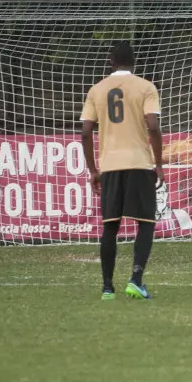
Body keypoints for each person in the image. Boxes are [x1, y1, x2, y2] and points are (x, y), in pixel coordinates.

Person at [80, 41, 164, 300]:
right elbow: (152, 125)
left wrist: (93, 170)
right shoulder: (146, 87)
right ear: (134, 62)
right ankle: (136, 279)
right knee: (146, 223)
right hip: (139, 163)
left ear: (110, 61)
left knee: (110, 227)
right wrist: (158, 164)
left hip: (110, 166)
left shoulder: (96, 89)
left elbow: (85, 132)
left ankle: (107, 287)